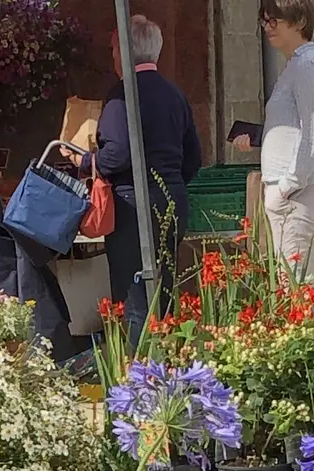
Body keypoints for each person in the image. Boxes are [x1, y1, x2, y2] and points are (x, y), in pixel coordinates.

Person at [94, 15, 202, 341]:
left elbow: (117, 154)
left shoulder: (122, 94)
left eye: (114, 49)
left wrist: (87, 160)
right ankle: (166, 355)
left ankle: (141, 363)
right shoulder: (175, 94)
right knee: (164, 288)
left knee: (134, 293)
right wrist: (168, 182)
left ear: (122, 52)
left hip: (133, 205)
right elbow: (193, 158)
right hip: (173, 199)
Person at [238, 0, 314, 280]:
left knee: (297, 283)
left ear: (299, 22)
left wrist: (287, 186)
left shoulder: (306, 66)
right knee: (297, 282)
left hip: (296, 192)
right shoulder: (298, 64)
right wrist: (260, 138)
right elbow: (294, 128)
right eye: (265, 21)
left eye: (274, 21)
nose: (268, 27)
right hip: (291, 191)